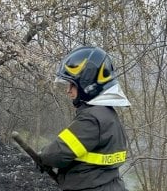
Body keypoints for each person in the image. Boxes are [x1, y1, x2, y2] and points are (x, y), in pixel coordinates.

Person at [39, 46, 131, 191]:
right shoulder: (108, 115)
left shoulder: (92, 119)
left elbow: (57, 153)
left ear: (88, 85)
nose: (68, 90)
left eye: (72, 84)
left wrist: (43, 157)